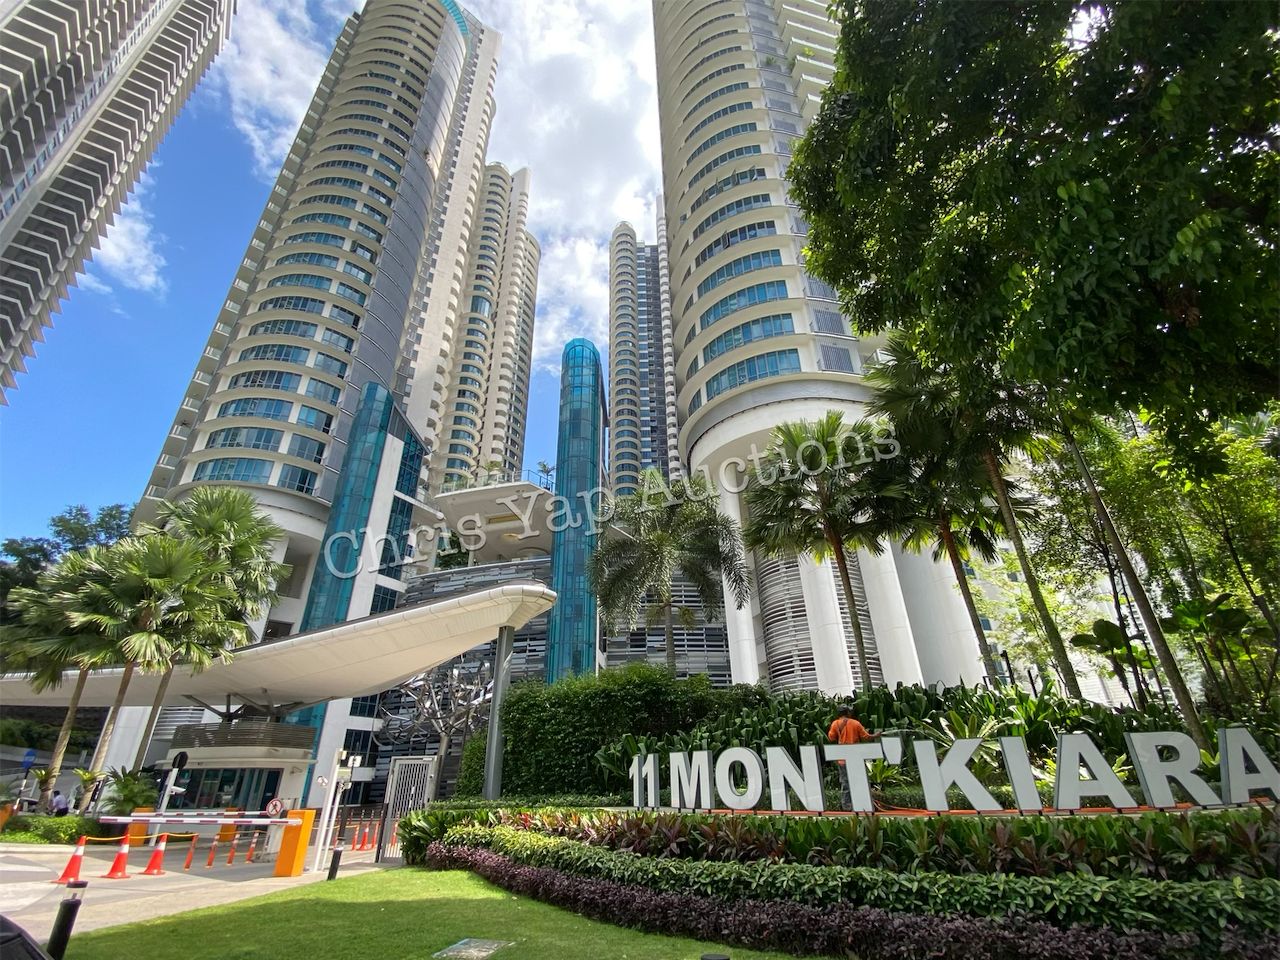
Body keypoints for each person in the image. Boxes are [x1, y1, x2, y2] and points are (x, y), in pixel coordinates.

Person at [827, 704, 879, 810]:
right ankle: (862, 803)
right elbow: (866, 737)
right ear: (847, 712)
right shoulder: (855, 723)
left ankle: (846, 806)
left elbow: (831, 738)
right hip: (856, 758)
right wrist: (876, 735)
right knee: (860, 780)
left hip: (842, 758)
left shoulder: (835, 724)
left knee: (845, 782)